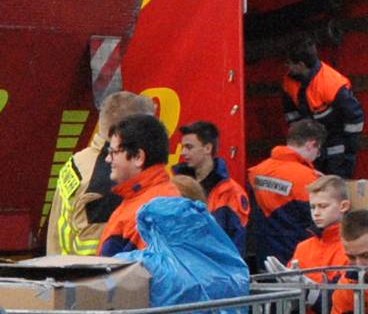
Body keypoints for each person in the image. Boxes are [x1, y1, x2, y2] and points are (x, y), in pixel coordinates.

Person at [53, 91, 156, 255]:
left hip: (62, 272)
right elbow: (104, 262)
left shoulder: (78, 161)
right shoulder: (110, 183)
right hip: (88, 278)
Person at [245, 120, 329, 270]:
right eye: (319, 150)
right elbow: (323, 224)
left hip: (263, 259)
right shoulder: (309, 179)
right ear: (311, 144)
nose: (317, 156)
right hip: (294, 261)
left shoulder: (255, 172)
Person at [96, 114, 179, 256]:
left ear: (138, 157)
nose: (108, 159)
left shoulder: (148, 210)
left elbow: (135, 274)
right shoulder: (155, 197)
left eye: (113, 152)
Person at [283, 39, 367, 177]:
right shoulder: (290, 81)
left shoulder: (331, 84)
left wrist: (349, 150)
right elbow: (291, 113)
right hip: (310, 146)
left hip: (336, 145)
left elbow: (355, 117)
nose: (287, 67)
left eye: (289, 63)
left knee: (335, 188)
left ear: (301, 65)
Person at [174, 121, 254, 255]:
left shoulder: (230, 192)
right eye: (183, 147)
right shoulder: (177, 186)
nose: (183, 152)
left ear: (207, 148)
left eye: (189, 147)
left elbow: (238, 242)